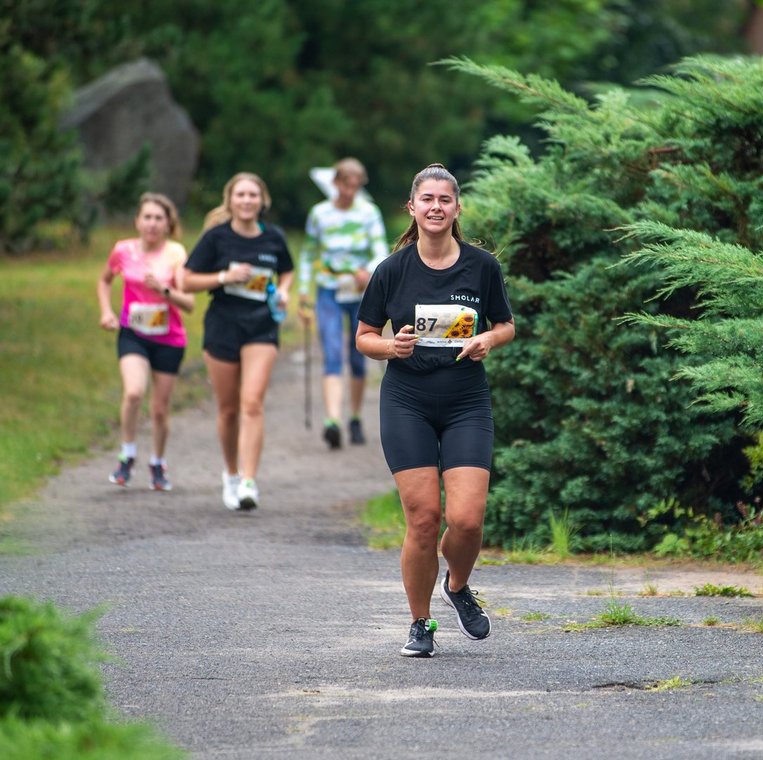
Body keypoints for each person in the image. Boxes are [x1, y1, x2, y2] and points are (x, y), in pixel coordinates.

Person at [355, 164, 515, 658]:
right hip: (407, 401)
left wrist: (488, 339)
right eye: (427, 199)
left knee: (467, 519)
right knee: (424, 519)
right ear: (412, 207)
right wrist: (391, 347)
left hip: (466, 401)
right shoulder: (392, 270)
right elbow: (364, 337)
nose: (436, 207)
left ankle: (457, 585)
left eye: (445, 200)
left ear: (457, 208)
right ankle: (420, 623)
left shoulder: (481, 267)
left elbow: (506, 325)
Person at [182, 173, 294, 511]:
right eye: (240, 195)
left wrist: (284, 290)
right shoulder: (216, 238)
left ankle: (248, 481)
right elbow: (186, 281)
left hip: (261, 327)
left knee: (252, 403)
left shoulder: (273, 237)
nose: (247, 200)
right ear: (230, 200)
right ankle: (231, 474)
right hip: (223, 327)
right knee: (228, 409)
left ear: (262, 201)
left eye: (252, 195)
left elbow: (287, 270)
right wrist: (223, 277)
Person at [98, 192, 194, 491]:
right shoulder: (123, 250)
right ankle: (127, 454)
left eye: (158, 218)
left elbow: (189, 303)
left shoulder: (176, 254)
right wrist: (106, 311)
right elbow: (104, 280)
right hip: (134, 334)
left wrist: (164, 290)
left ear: (168, 224)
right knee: (134, 392)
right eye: (147, 217)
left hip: (169, 338)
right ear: (137, 221)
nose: (152, 224)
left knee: (160, 409)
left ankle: (157, 462)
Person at [298, 158, 389, 450]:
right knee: (332, 352)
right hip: (329, 290)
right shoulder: (320, 214)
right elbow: (308, 253)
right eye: (346, 185)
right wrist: (303, 291)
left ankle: (355, 417)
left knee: (358, 355)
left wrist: (368, 271)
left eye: (356, 186)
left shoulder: (369, 212)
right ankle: (333, 421)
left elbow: (381, 251)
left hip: (360, 292)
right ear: (336, 183)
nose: (350, 192)